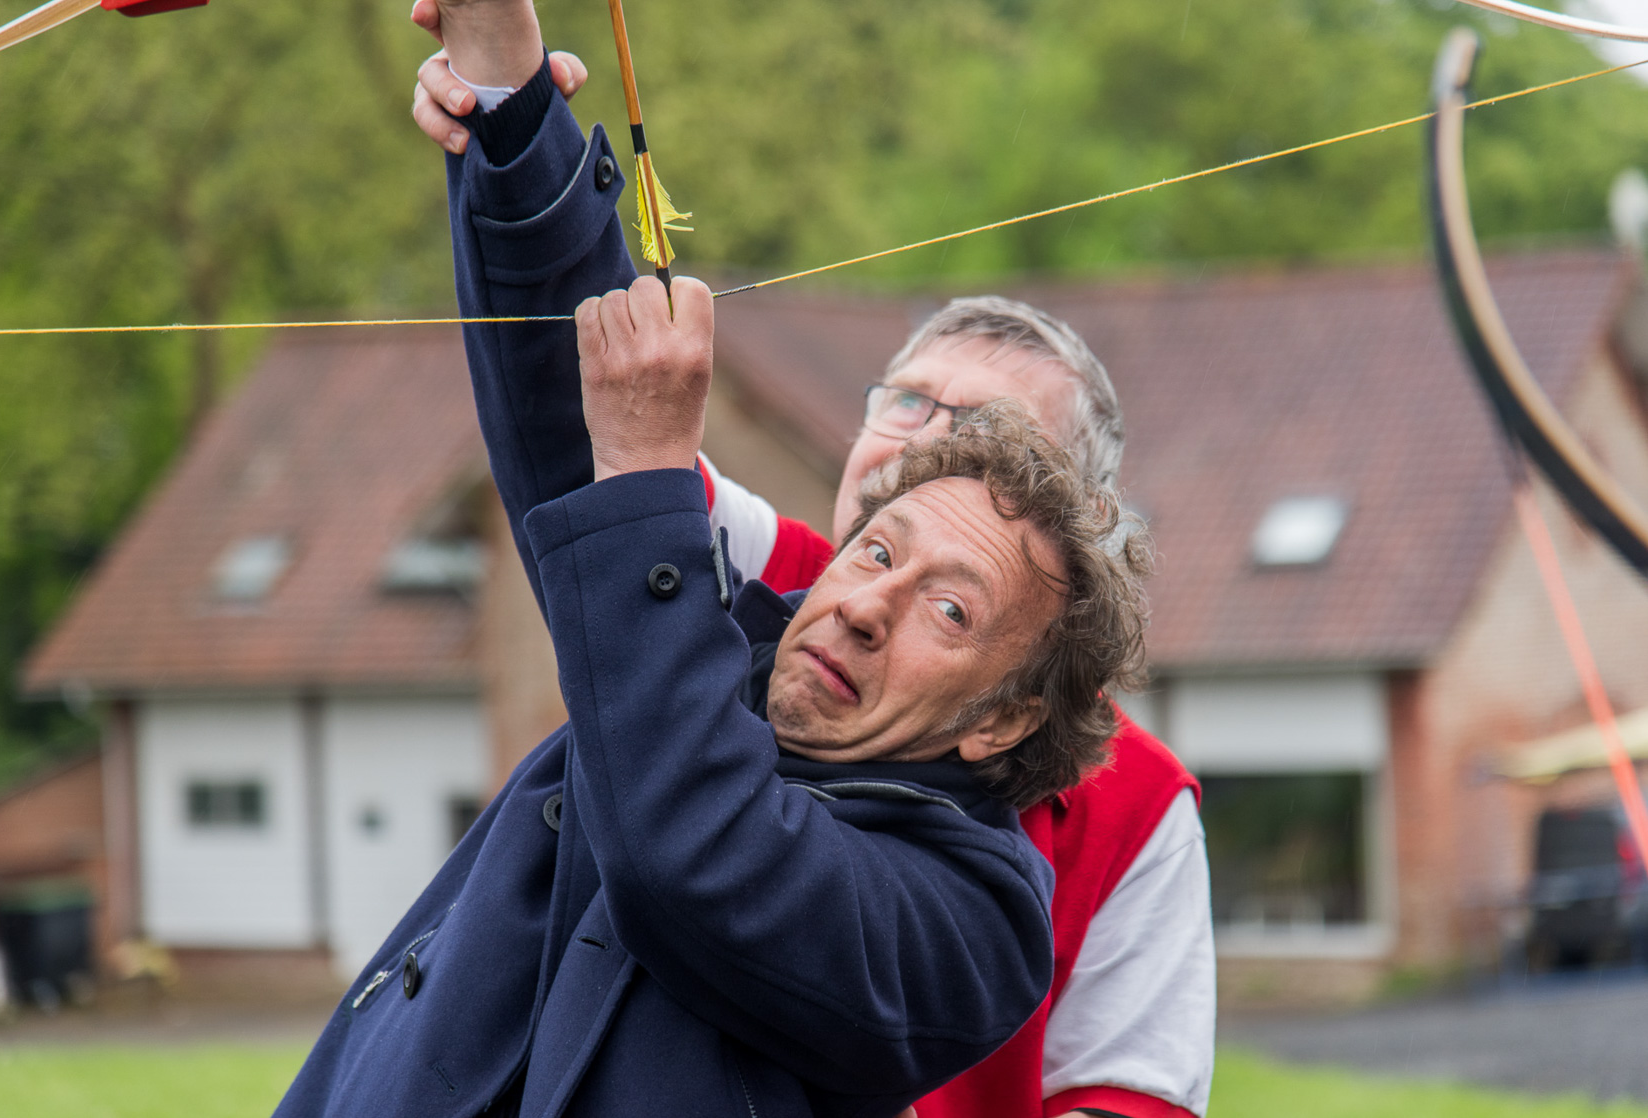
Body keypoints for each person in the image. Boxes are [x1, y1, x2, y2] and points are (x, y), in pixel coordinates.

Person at [410, 3, 1214, 1115]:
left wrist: (645, 466)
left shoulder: (1067, 844)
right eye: (906, 399)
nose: (925, 439)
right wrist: (507, 98)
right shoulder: (772, 598)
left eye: (985, 433)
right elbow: (585, 415)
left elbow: (1133, 1092)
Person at [273, 252, 1153, 1115]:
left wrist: (648, 472)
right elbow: (574, 409)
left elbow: (694, 851)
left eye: (950, 610)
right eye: (877, 552)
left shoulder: (979, 930)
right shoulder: (711, 647)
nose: (866, 607)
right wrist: (513, 138)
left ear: (1004, 719)